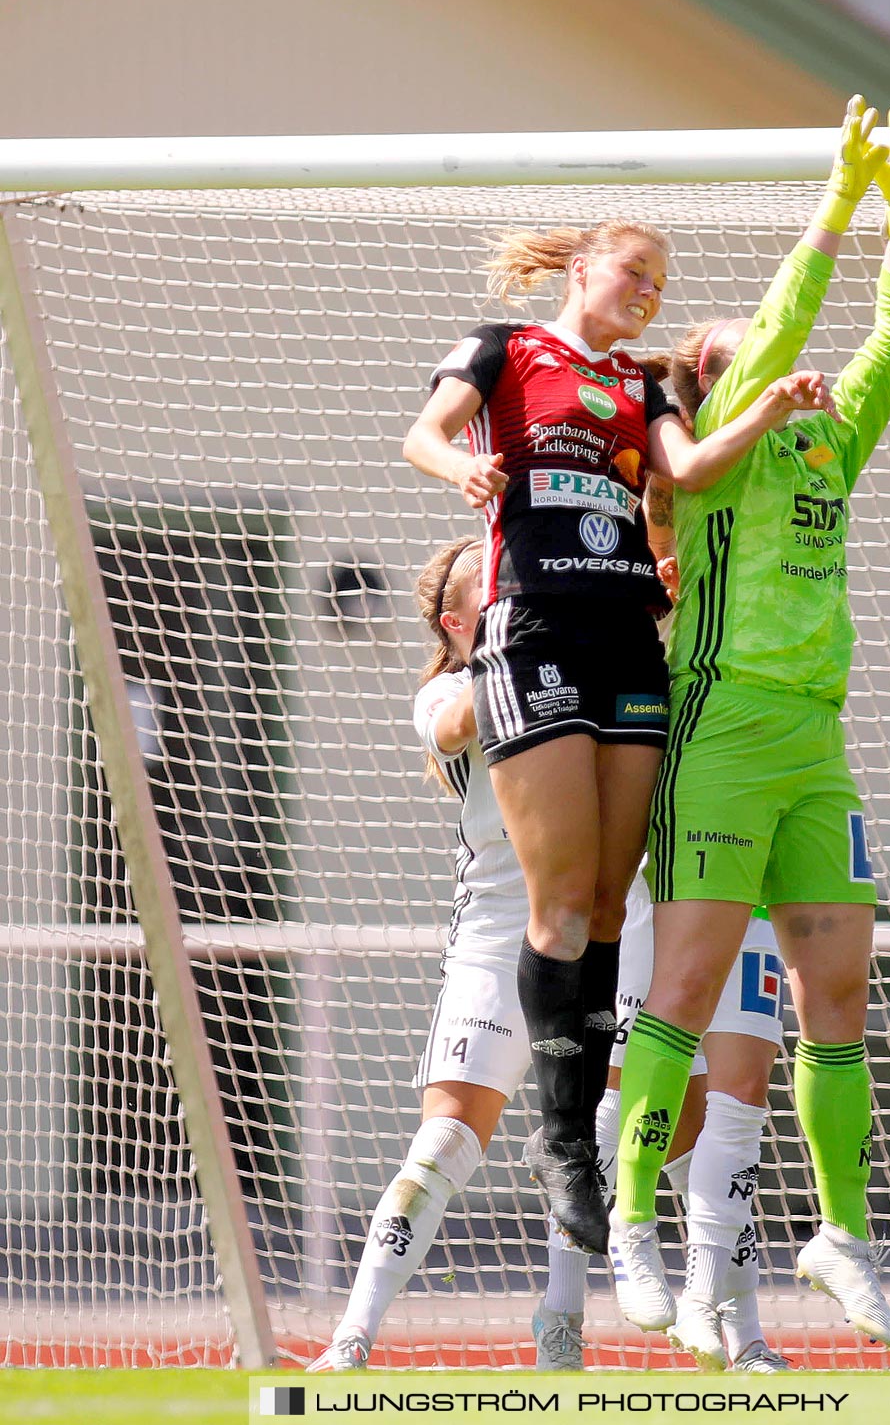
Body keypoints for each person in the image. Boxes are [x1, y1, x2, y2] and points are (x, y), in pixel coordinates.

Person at [612, 98, 890, 1353]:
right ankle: (633, 1225)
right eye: (743, 353)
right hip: (723, 735)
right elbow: (780, 329)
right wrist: (838, 195)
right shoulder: (718, 450)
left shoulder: (828, 448)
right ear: (719, 384)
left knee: (840, 994)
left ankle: (842, 1234)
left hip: (819, 743)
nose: (790, 366)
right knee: (689, 988)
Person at [401, 216, 820, 1256]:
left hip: (628, 640)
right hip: (532, 629)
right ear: (584, 269)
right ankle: (563, 1142)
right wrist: (458, 470)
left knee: (603, 900)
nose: (648, 290)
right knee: (558, 894)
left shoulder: (639, 386)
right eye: (636, 271)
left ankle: (584, 1134)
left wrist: (765, 408)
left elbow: (697, 470)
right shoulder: (506, 347)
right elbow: (422, 433)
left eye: (661, 282)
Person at [309, 537, 591, 1372]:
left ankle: (568, 1330)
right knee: (441, 1145)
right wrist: (522, 636)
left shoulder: (584, 648)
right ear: (458, 620)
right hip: (500, 937)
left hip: (612, 927)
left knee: (609, 1136)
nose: (515, 571)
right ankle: (352, 1338)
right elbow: (465, 716)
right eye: (492, 572)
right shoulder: (446, 687)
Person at [593, 899, 794, 1371]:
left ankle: (743, 1337)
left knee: (732, 1114)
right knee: (616, 1100)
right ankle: (560, 1318)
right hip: (656, 899)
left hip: (748, 908)